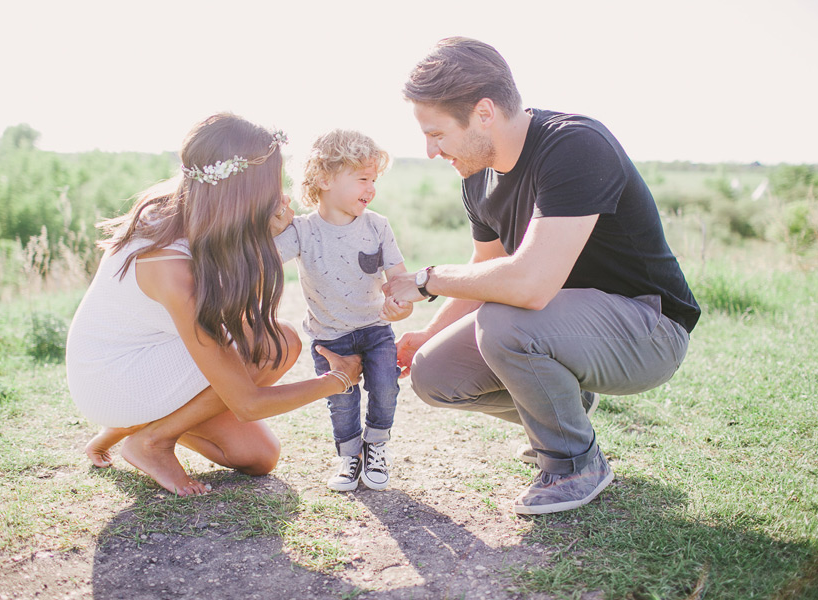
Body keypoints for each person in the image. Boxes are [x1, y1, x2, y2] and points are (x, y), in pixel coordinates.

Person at [384, 37, 700, 515]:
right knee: (434, 372)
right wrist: (429, 333)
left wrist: (426, 279)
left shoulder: (575, 145)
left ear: (484, 112)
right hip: (562, 329)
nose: (430, 151)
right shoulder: (477, 175)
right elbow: (484, 272)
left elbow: (528, 286)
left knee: (506, 323)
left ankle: (575, 464)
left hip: (649, 330)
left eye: (437, 133)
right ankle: (567, 411)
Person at [66, 113, 362, 497]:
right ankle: (151, 441)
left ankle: (136, 428)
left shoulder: (193, 211)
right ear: (245, 191)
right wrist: (337, 381)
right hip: (113, 376)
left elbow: (237, 316)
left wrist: (260, 241)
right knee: (275, 345)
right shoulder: (170, 269)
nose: (280, 194)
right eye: (272, 182)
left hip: (144, 359)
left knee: (259, 455)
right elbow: (249, 402)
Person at [275, 129, 412, 492]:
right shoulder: (302, 231)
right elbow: (264, 259)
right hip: (330, 336)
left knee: (385, 389)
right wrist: (269, 223)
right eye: (362, 178)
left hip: (375, 327)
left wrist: (401, 304)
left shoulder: (378, 226)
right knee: (341, 400)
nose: (371, 188)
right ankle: (349, 456)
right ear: (324, 179)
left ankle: (376, 446)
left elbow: (398, 278)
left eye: (374, 180)